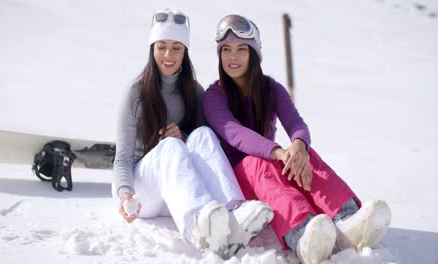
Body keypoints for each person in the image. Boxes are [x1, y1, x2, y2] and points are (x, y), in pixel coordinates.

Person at [202, 14, 392, 263]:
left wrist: (298, 146)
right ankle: (303, 234)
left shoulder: (271, 89)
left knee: (305, 155)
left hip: (271, 164)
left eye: (240, 49)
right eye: (226, 50)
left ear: (254, 54)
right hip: (241, 179)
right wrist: (278, 152)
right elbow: (236, 135)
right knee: (258, 163)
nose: (233, 56)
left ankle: (345, 220)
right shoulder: (214, 96)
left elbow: (296, 124)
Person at [112, 9, 273, 258]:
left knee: (203, 134)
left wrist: (184, 136)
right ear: (152, 49)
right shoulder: (136, 92)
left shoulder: (194, 91)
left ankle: (234, 213)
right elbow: (122, 157)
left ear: (185, 52)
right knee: (171, 147)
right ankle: (200, 229)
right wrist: (124, 194)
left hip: (176, 197)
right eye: (161, 46)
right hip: (139, 192)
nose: (168, 55)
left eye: (176, 47)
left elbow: (201, 152)